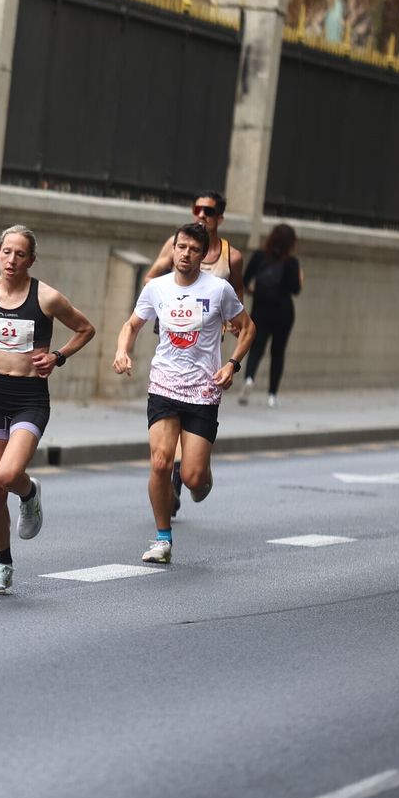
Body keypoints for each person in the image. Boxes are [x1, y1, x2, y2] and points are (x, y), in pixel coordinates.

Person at [0, 226, 95, 594]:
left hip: (30, 396)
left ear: (31, 259)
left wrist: (58, 356)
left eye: (20, 254)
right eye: (7, 252)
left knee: (9, 474)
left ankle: (29, 494)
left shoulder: (46, 298)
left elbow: (85, 329)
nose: (12, 260)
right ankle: (3, 564)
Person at [113, 223, 254, 564]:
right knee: (160, 463)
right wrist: (122, 350)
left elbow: (248, 328)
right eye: (181, 247)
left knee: (192, 478)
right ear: (173, 249)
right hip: (163, 385)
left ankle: (202, 475)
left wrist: (232, 364)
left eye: (193, 249)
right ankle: (163, 539)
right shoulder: (156, 288)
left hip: (204, 390)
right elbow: (132, 324)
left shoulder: (219, 290)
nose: (185, 254)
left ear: (203, 255)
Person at [240, 223, 303, 407]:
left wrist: (252, 292)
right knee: (278, 352)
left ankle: (249, 379)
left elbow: (244, 280)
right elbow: (295, 289)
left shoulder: (259, 256)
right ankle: (272, 395)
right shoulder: (292, 262)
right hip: (284, 311)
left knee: (256, 347)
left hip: (261, 308)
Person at [145, 191, 244, 295]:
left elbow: (237, 291)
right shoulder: (175, 243)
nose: (201, 215)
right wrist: (171, 297)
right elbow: (149, 279)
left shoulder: (232, 257)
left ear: (219, 219)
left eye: (208, 211)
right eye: (197, 210)